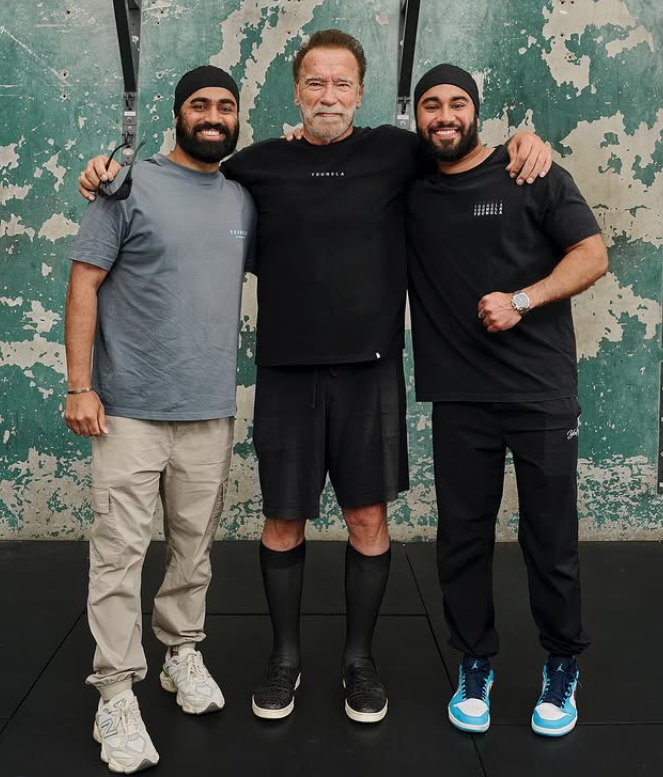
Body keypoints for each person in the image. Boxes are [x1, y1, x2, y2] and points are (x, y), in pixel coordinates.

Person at [78, 30, 552, 725]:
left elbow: (461, 145)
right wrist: (102, 171)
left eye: (341, 84)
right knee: (282, 520)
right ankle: (285, 658)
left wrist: (523, 143)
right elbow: (185, 176)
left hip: (370, 373)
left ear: (359, 93)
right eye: (315, 83)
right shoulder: (255, 167)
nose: (328, 96)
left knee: (367, 519)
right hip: (286, 374)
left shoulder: (397, 152)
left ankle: (359, 661)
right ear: (296, 92)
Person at [407, 64, 608, 737]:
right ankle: (474, 661)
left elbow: (591, 254)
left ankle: (562, 662)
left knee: (549, 537)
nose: (444, 115)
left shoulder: (530, 171)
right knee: (461, 538)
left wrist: (523, 299)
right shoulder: (412, 185)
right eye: (430, 105)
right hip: (459, 397)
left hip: (539, 392)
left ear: (476, 110)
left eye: (456, 103)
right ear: (417, 116)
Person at [65, 66, 255, 773]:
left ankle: (181, 651)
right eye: (199, 105)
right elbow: (84, 282)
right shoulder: (124, 184)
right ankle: (115, 691)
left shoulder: (241, 198)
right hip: (128, 410)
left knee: (192, 548)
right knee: (119, 553)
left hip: (208, 410)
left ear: (236, 119)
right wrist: (79, 386)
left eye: (225, 106)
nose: (213, 116)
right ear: (178, 115)